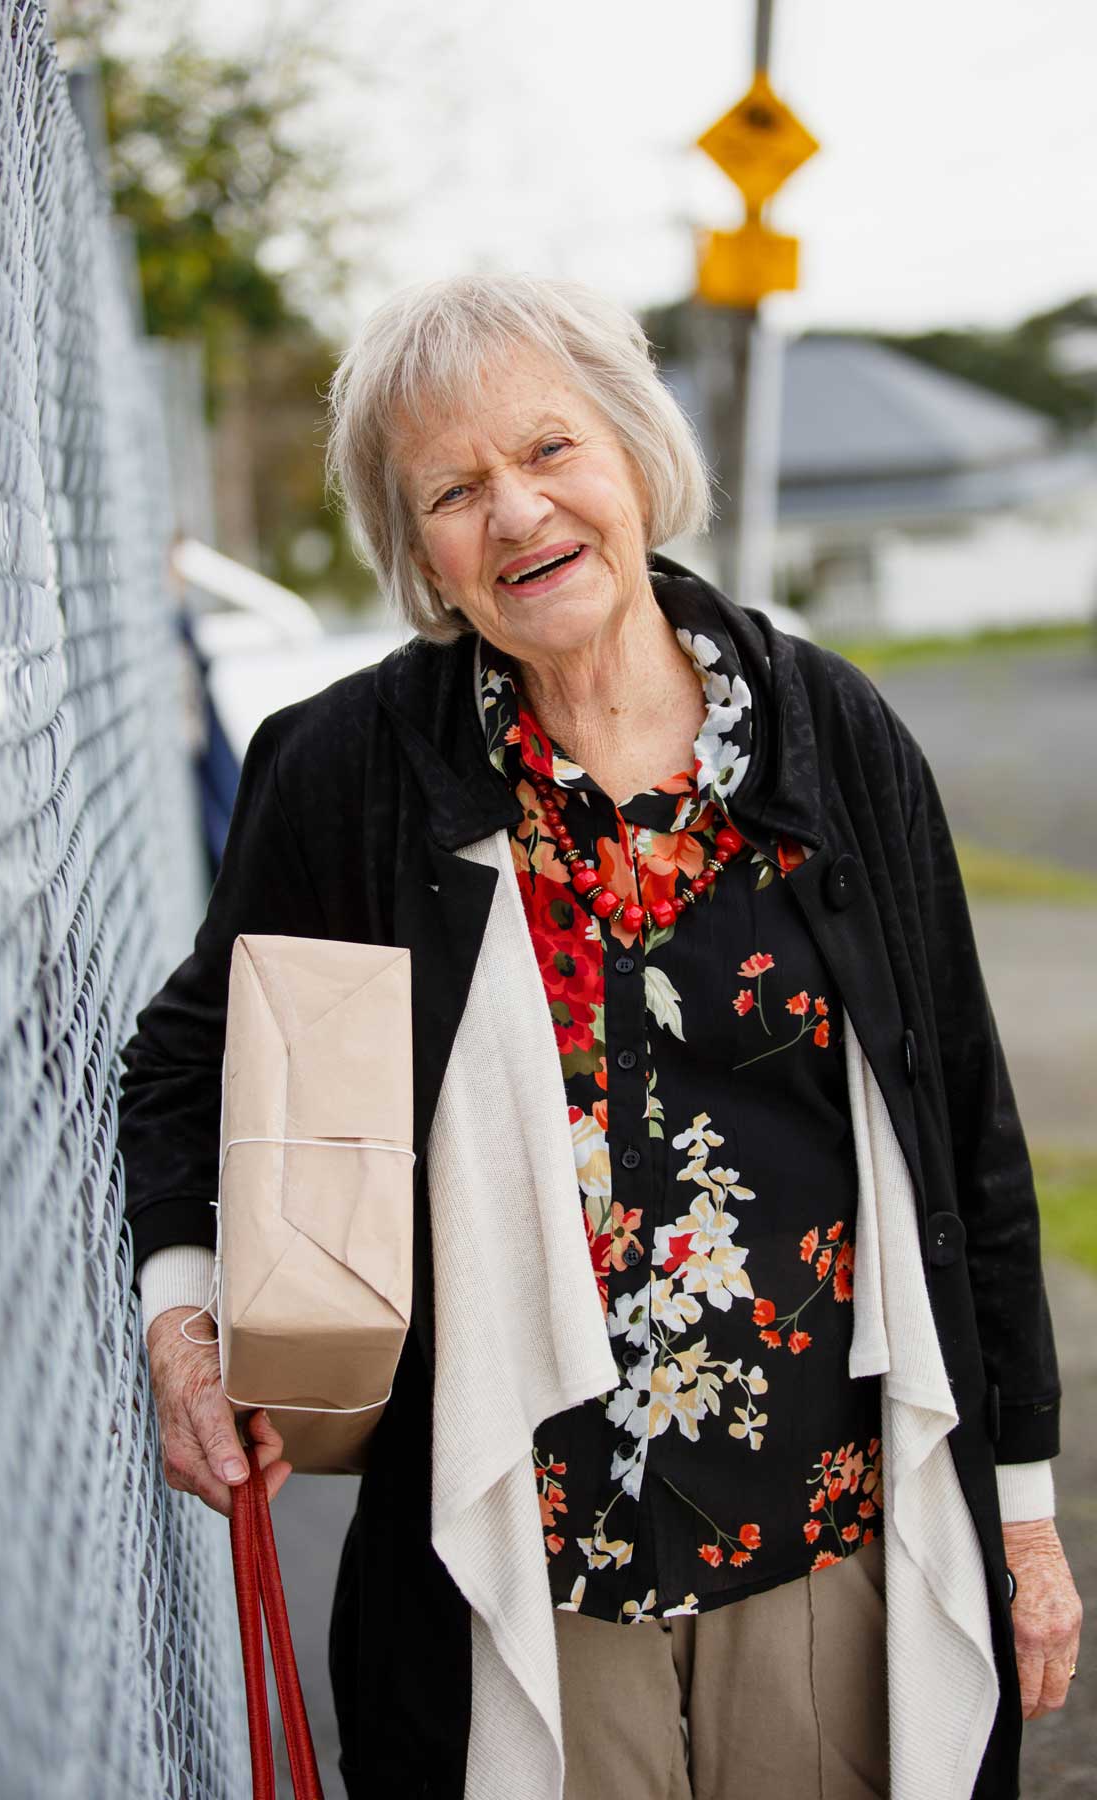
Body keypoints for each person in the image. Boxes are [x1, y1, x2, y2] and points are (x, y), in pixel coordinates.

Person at [117, 274, 1082, 1800]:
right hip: (513, 1541)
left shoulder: (832, 735)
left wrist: (1021, 1510)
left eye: (549, 448)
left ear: (634, 452)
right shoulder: (352, 770)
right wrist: (184, 1319)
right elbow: (187, 1063)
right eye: (453, 490)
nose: (516, 512)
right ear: (417, 548)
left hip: (821, 1524)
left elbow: (966, 1118)